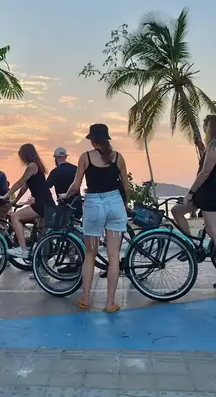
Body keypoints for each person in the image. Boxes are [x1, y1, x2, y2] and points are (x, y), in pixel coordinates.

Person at [60, 124, 129, 313]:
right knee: (114, 256)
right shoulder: (118, 157)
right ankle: (110, 303)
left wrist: (65, 196)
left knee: (90, 254)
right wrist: (124, 204)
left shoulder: (86, 157)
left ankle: (85, 299)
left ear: (92, 140)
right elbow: (126, 186)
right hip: (115, 203)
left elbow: (76, 186)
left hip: (94, 205)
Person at [170, 114, 216, 289]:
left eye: (205, 127)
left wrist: (190, 193)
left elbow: (205, 173)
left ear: (210, 127)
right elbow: (210, 165)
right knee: (177, 210)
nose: (203, 130)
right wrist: (201, 148)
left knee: (214, 232)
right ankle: (191, 247)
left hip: (211, 192)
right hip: (205, 191)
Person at [3, 144, 54, 259]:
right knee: (43, 236)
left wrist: (5, 195)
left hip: (41, 203)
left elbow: (20, 182)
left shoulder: (32, 166)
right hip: (47, 202)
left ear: (25, 155)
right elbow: (24, 187)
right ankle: (42, 265)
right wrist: (14, 201)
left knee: (15, 217)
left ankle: (23, 250)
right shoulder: (37, 167)